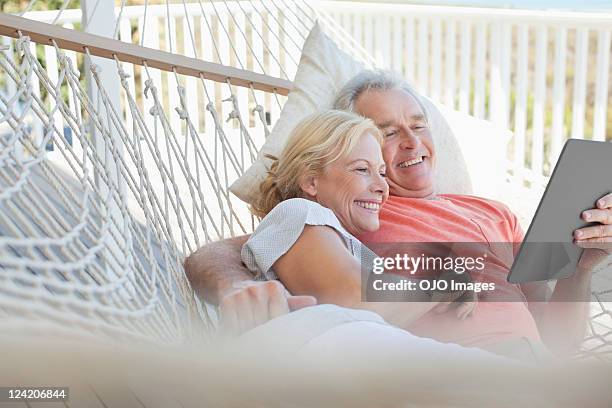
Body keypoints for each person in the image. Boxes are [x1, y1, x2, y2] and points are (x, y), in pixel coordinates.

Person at [184, 70, 612, 357]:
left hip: (530, 371)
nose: (411, 141)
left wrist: (580, 269)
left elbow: (558, 345)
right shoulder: (354, 210)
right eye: (388, 132)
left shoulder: (494, 212)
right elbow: (240, 247)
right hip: (445, 370)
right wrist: (236, 286)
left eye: (418, 123)